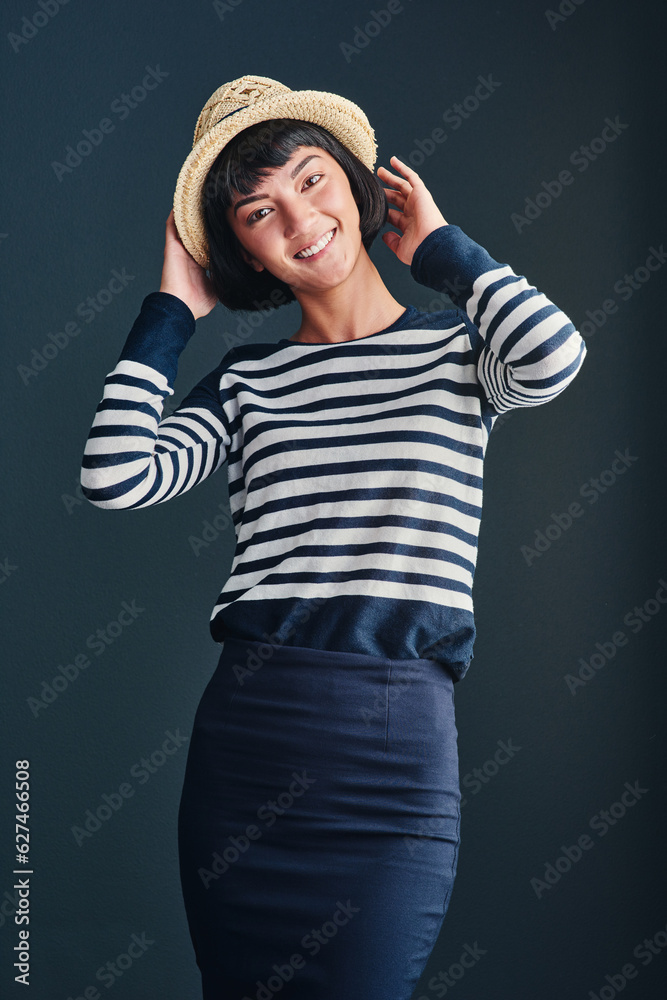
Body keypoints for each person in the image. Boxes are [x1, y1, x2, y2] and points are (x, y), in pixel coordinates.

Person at [80, 75, 587, 999]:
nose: (298, 220)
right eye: (256, 213)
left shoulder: (460, 353)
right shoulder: (248, 385)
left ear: (355, 188)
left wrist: (443, 251)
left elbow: (553, 357)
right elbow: (114, 478)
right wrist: (169, 312)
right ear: (244, 254)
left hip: (393, 749)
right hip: (248, 738)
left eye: (313, 180)